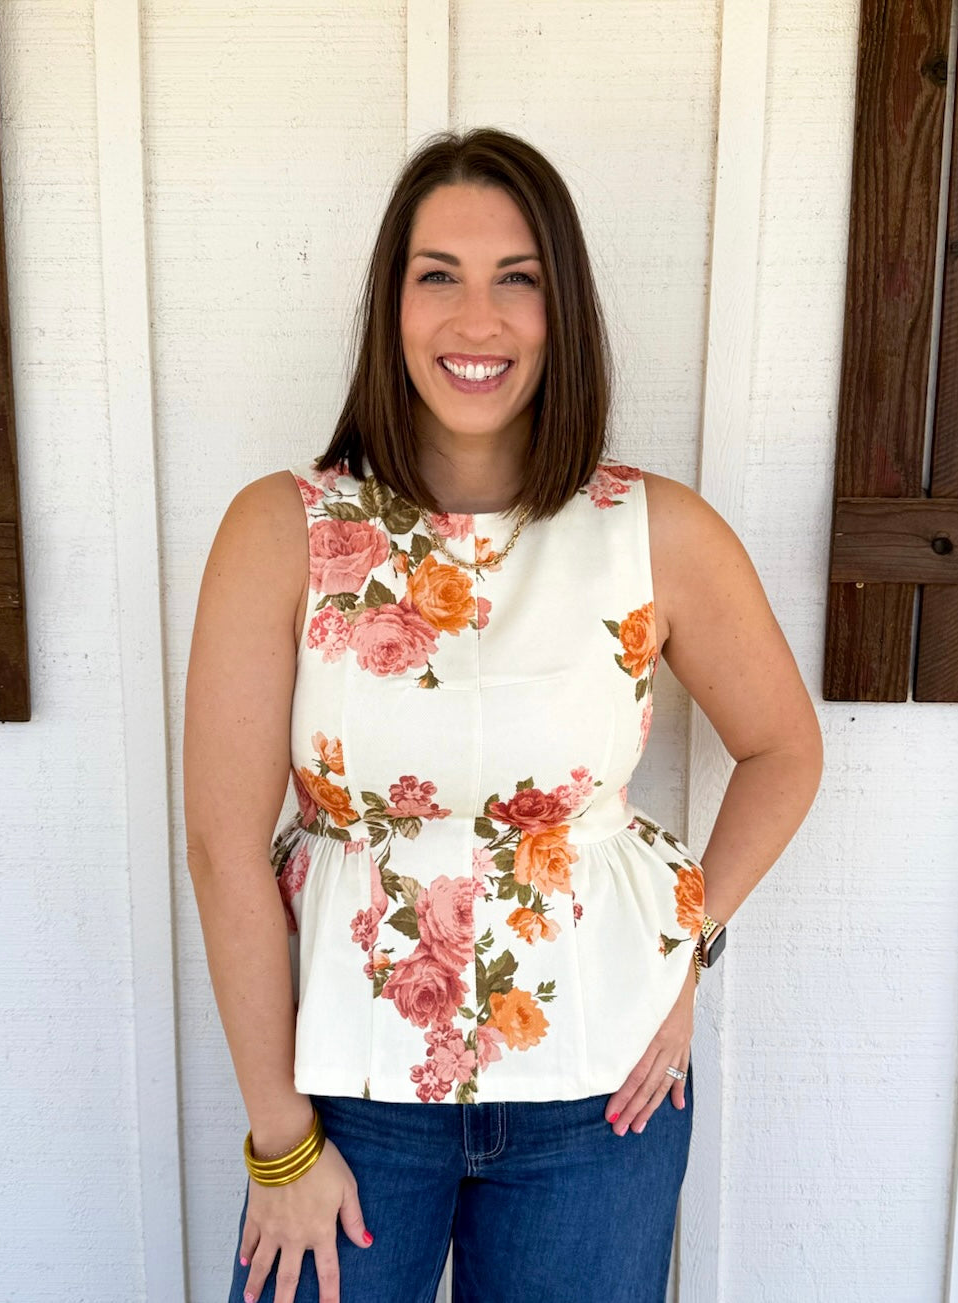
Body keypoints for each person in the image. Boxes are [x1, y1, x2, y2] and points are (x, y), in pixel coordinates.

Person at [183, 127, 823, 1303]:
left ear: (558, 308)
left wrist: (689, 945)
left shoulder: (655, 532)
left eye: (515, 279)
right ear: (391, 306)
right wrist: (279, 1139)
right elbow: (223, 847)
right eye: (439, 275)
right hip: (346, 1101)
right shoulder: (283, 531)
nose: (475, 320)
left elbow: (783, 749)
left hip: (601, 1092)